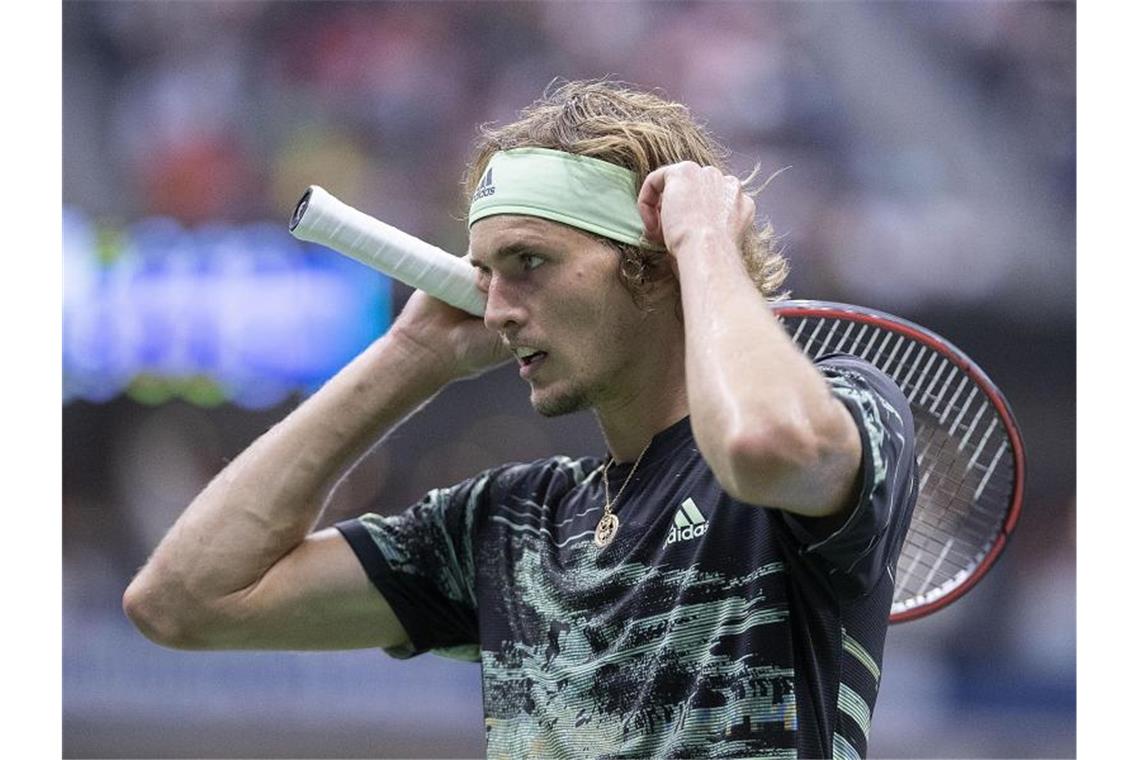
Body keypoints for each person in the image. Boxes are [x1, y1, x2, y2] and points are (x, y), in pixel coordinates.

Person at [124, 80, 917, 759]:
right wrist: (411, 354)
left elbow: (761, 445)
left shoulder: (850, 408)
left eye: (529, 263)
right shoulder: (512, 524)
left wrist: (704, 237)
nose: (496, 310)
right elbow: (184, 600)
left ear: (652, 265)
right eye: (485, 273)